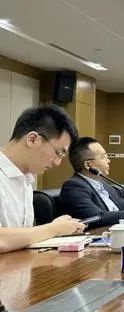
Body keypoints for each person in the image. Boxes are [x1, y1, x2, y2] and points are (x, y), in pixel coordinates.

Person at [0, 104, 85, 253]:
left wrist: (57, 231)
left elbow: (21, 240)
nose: (57, 163)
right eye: (58, 153)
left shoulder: (25, 180)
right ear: (33, 139)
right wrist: (53, 229)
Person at [58, 137, 124, 228]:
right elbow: (98, 217)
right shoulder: (73, 187)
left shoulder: (103, 184)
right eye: (103, 157)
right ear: (88, 165)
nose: (108, 161)